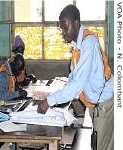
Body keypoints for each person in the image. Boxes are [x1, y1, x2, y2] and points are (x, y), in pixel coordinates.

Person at [35, 4, 114, 150]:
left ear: (76, 23)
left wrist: (49, 101)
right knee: (95, 143)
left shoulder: (88, 42)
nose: (63, 33)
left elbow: (78, 84)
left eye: (65, 27)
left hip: (104, 103)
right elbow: (73, 76)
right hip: (95, 103)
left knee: (102, 146)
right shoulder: (77, 45)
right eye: (62, 29)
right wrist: (58, 93)